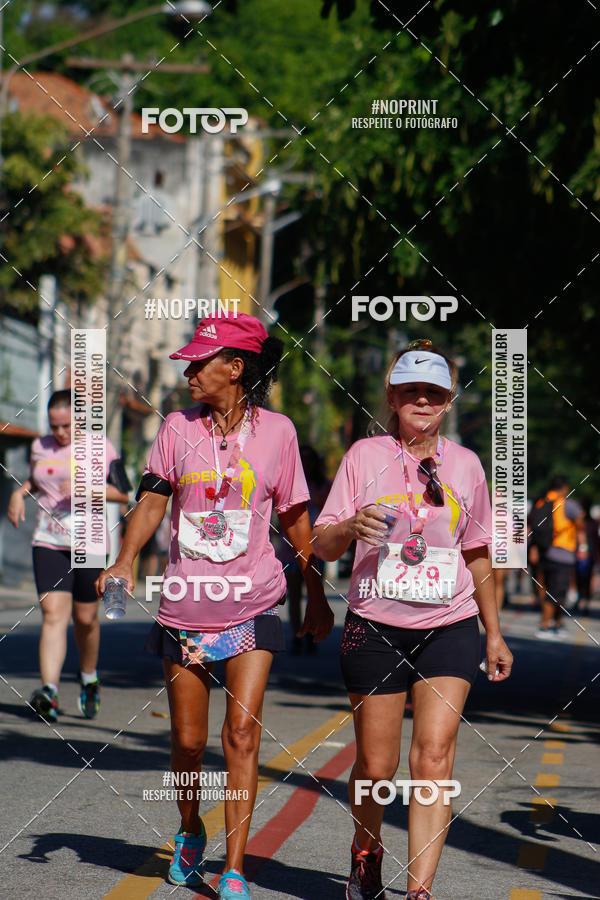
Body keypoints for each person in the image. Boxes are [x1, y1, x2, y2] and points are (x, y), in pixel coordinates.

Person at [96, 312, 333, 899]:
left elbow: (296, 518)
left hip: (252, 604)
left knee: (242, 736)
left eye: (200, 363)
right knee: (187, 740)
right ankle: (188, 827)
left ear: (236, 367)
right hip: (185, 606)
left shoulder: (278, 432)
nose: (189, 372)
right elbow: (152, 501)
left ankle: (234, 867)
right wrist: (125, 558)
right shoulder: (176, 428)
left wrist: (317, 595)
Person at [313, 339, 513, 900]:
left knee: (433, 756)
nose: (422, 401)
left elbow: (477, 552)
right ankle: (366, 850)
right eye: (411, 392)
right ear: (393, 398)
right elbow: (321, 545)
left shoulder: (467, 465)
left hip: (450, 624)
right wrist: (351, 526)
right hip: (375, 624)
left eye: (433, 393)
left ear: (448, 401)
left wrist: (493, 632)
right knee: (377, 766)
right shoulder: (363, 457)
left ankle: (420, 889)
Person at [7, 390, 129, 722]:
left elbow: (124, 493)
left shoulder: (101, 449)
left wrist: (86, 489)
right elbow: (38, 478)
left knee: (86, 619)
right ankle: (50, 691)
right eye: (54, 426)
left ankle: (89, 677)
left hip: (89, 543)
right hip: (48, 540)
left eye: (66, 426)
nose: (60, 433)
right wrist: (19, 493)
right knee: (52, 614)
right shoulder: (40, 446)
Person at [277, 444, 331, 653]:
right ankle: (298, 634)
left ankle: (312, 633)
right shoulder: (288, 482)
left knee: (313, 591)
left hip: (317, 547)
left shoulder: (324, 485)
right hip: (289, 547)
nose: (307, 463)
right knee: (294, 594)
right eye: (303, 459)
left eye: (310, 459)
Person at [531, 476, 585, 639]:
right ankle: (545, 626)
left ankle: (557, 624)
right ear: (565, 488)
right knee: (557, 592)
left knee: (550, 589)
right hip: (563, 554)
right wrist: (582, 545)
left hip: (544, 552)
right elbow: (580, 524)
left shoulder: (541, 503)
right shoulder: (569, 505)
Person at [572, 500, 598, 615]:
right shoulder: (578, 523)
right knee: (578, 578)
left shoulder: (592, 523)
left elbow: (596, 541)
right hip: (577, 555)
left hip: (590, 555)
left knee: (587, 579)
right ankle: (580, 598)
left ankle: (585, 600)